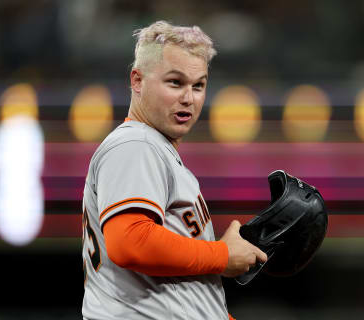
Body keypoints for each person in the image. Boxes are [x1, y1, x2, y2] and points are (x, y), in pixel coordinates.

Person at [81, 21, 267, 320]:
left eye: (198, 85)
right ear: (137, 80)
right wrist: (222, 255)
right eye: (175, 83)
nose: (189, 98)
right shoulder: (136, 144)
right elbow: (129, 242)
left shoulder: (154, 148)